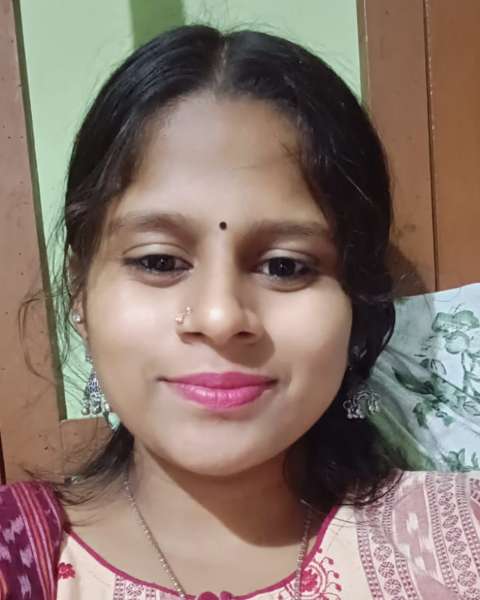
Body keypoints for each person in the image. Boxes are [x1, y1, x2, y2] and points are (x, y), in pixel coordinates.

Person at [1, 25, 479, 600]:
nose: (221, 317)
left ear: (356, 299)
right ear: (79, 291)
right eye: (159, 261)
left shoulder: (462, 546)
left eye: (285, 266)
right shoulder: (18, 557)